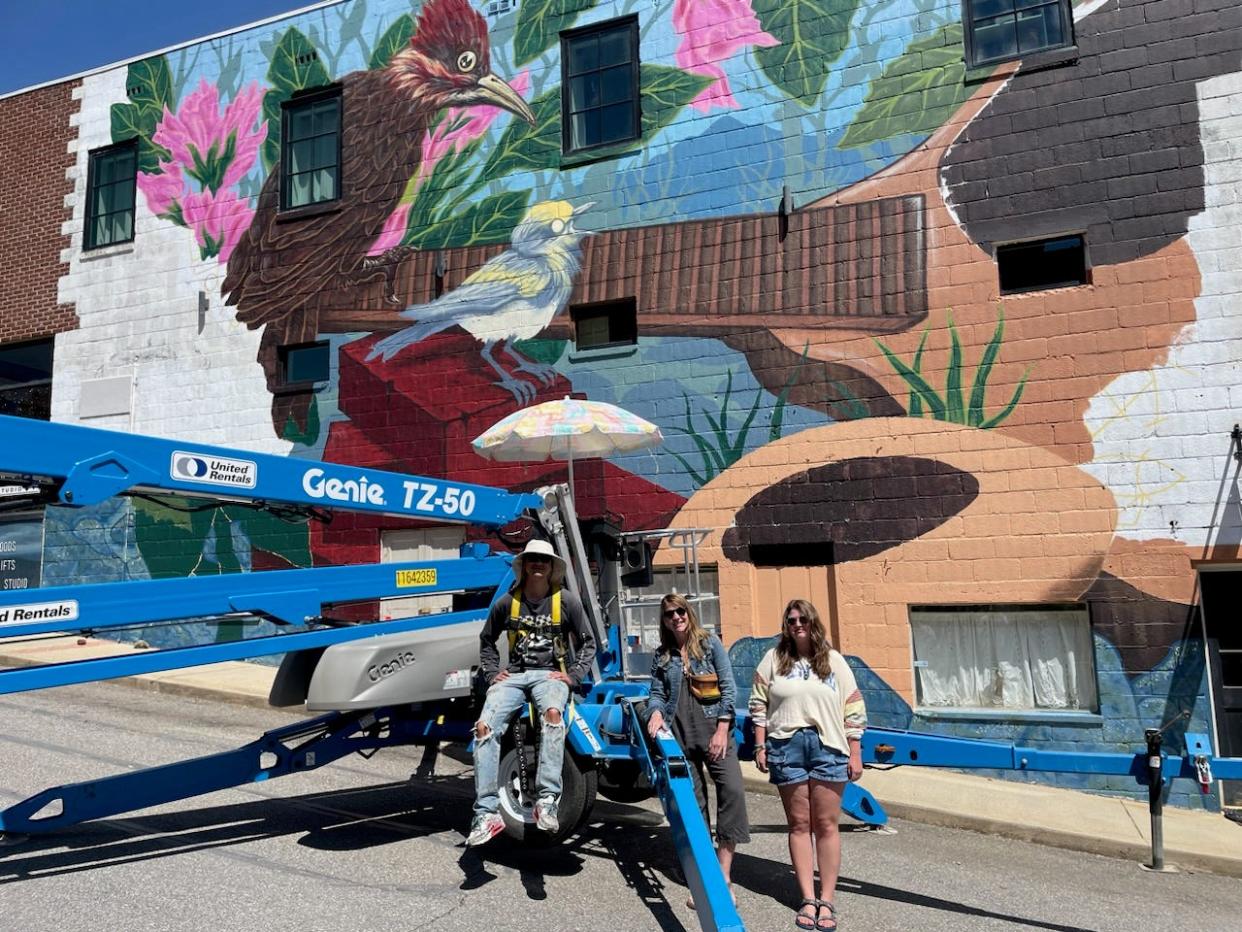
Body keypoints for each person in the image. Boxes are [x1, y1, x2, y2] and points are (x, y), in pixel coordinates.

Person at [466, 539, 596, 847]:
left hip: (549, 675)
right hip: (514, 675)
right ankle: (486, 813)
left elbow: (589, 641)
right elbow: (486, 641)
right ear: (523, 566)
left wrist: (573, 676)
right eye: (532, 559)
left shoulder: (566, 601)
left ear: (552, 568)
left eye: (544, 560)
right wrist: (491, 672)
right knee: (484, 728)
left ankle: (547, 800)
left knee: (553, 716)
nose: (538, 563)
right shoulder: (505, 603)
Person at [749, 599, 866, 932]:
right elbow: (758, 701)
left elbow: (853, 706)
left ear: (813, 622)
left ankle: (827, 900)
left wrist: (855, 750)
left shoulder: (834, 662)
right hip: (785, 747)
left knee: (827, 825)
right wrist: (760, 744)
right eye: (790, 620)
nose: (797, 624)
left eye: (802, 619)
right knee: (799, 824)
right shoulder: (773, 660)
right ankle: (807, 898)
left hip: (828, 746)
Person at [646, 593, 750, 907]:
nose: (676, 617)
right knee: (695, 805)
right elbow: (656, 691)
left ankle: (724, 872)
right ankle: (707, 878)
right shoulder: (662, 654)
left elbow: (729, 687)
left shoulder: (710, 644)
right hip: (679, 736)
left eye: (680, 611)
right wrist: (654, 712)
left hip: (714, 733)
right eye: (669, 614)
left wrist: (722, 728)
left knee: (732, 791)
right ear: (664, 620)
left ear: (688, 612)